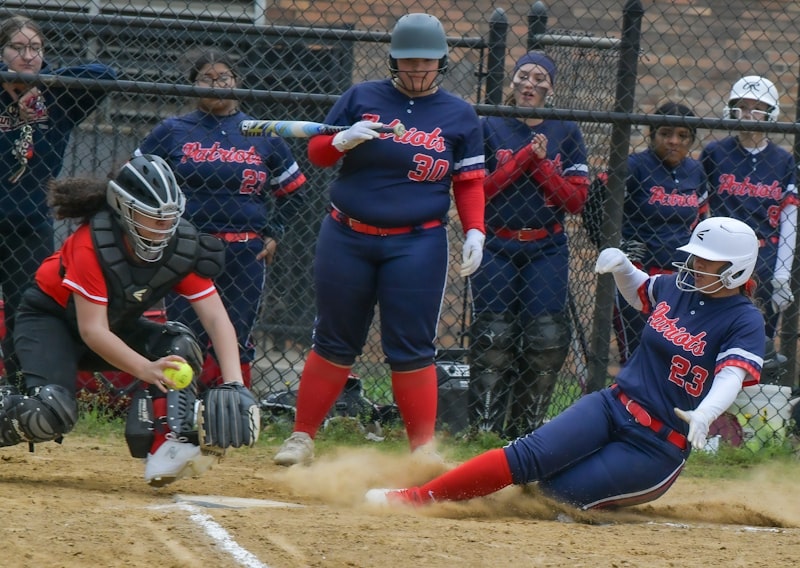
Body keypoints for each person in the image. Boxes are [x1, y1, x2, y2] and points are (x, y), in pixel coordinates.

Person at [366, 217, 765, 510]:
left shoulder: (744, 319)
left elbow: (731, 375)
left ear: (736, 269)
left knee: (552, 494)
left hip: (656, 447)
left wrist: (706, 413)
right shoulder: (679, 289)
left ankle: (482, 498)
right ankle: (417, 498)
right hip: (612, 406)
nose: (695, 264)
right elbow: (642, 290)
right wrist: (623, 268)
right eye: (695, 256)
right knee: (527, 457)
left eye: (707, 261)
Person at [272, 12, 486, 466]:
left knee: (411, 346)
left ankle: (422, 450)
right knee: (334, 339)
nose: (417, 69)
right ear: (393, 60)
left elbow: (468, 182)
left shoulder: (460, 115)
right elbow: (318, 154)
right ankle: (302, 437)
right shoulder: (361, 97)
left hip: (417, 242)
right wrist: (342, 140)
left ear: (442, 62)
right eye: (408, 61)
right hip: (347, 235)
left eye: (426, 61)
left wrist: (475, 230)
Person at [1, 155, 257, 487]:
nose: (164, 228)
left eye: (170, 218)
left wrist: (235, 382)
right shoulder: (91, 244)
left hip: (111, 326)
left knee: (179, 345)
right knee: (50, 413)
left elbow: (216, 318)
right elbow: (92, 330)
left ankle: (169, 444)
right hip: (50, 321)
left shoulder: (181, 248)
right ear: (124, 209)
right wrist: (145, 368)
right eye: (154, 218)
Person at [135, 48, 307, 390]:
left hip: (245, 250)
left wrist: (274, 233)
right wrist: (156, 231)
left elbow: (294, 192)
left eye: (223, 77)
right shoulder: (173, 130)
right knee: (184, 333)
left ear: (237, 81)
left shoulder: (261, 132)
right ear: (193, 85)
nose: (216, 84)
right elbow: (135, 178)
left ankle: (233, 402)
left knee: (238, 333)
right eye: (206, 78)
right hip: (187, 246)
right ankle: (179, 405)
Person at [469, 51, 589, 438]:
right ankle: (483, 429)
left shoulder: (566, 130)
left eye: (540, 78)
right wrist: (526, 157)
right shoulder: (490, 125)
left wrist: (539, 165)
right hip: (497, 242)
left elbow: (575, 201)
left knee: (546, 340)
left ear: (550, 87)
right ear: (513, 81)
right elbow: (481, 191)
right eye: (524, 75)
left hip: (546, 245)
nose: (530, 84)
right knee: (494, 337)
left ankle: (525, 431)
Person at [0, 14, 116, 386]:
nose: (28, 55)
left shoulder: (59, 97)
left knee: (25, 310)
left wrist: (43, 80)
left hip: (30, 221)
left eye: (36, 48)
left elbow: (105, 74)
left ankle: (21, 391)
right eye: (17, 48)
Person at [584, 102, 708, 363]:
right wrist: (615, 245)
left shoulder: (695, 171)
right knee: (638, 352)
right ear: (652, 135)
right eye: (665, 133)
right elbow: (593, 203)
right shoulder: (634, 166)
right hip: (638, 275)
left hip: (680, 277)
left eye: (683, 135)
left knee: (675, 352)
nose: (673, 141)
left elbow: (702, 219)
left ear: (691, 140)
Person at [701, 75, 798, 346]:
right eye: (742, 107)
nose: (748, 114)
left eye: (757, 108)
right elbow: (700, 209)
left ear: (770, 113)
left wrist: (782, 275)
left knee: (759, 336)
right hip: (721, 252)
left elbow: (790, 218)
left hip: (764, 256)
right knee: (714, 330)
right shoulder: (715, 153)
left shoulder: (783, 160)